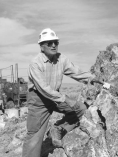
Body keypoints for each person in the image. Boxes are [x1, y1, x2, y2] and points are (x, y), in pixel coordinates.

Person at [22, 28, 104, 157]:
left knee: (81, 109)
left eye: (55, 42)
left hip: (55, 97)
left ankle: (58, 128)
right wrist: (65, 99)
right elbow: (43, 89)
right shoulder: (35, 63)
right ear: (42, 46)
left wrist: (92, 78)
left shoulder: (61, 59)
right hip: (39, 101)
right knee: (35, 136)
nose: (53, 45)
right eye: (49, 43)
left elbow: (76, 72)